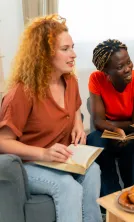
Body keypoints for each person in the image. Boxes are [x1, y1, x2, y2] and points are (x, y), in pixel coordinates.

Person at [0, 14, 102, 222]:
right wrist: (43, 153)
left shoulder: (70, 80)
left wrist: (78, 123)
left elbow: (75, 107)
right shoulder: (23, 92)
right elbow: (3, 142)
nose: (73, 54)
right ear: (44, 54)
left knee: (93, 171)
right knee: (68, 187)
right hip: (30, 163)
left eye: (72, 47)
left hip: (60, 160)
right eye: (65, 49)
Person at [87, 39, 134, 196]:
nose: (128, 68)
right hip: (110, 128)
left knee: (133, 148)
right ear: (106, 72)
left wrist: (111, 125)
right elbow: (97, 121)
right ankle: (111, 197)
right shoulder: (96, 79)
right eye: (120, 67)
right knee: (93, 141)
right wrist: (115, 129)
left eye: (128, 62)